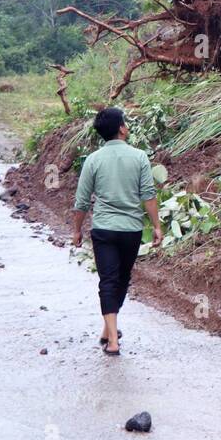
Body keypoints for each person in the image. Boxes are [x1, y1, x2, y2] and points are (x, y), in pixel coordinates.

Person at [71, 107, 163, 356]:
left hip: (103, 229)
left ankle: (108, 332)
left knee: (109, 280)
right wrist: (156, 226)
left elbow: (81, 201)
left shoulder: (93, 160)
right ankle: (113, 339)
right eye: (125, 122)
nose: (127, 125)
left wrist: (77, 230)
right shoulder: (140, 157)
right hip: (131, 230)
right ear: (121, 128)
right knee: (121, 279)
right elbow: (148, 195)